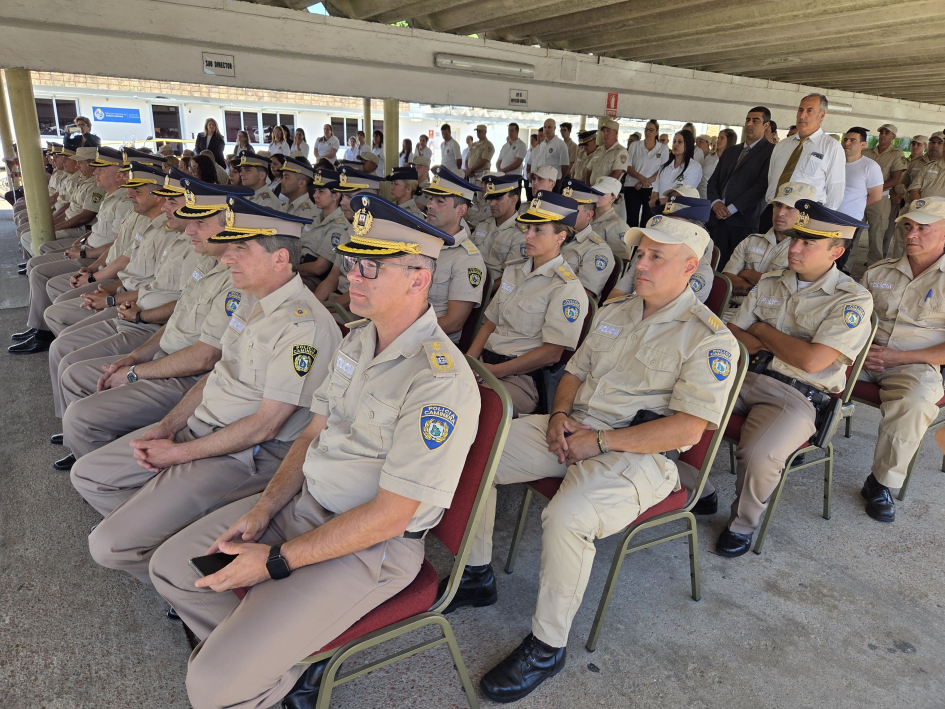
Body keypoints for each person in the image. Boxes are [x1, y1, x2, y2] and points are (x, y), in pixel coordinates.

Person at [148, 195, 478, 709]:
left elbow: (392, 517)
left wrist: (275, 562)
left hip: (370, 546)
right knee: (171, 568)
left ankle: (265, 672)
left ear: (418, 278)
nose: (353, 276)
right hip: (303, 505)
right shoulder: (357, 341)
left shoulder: (440, 381)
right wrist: (263, 511)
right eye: (352, 261)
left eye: (372, 266)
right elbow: (309, 435)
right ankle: (277, 664)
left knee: (209, 688)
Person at [446, 213, 738, 704]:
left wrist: (601, 443)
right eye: (639, 253)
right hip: (572, 429)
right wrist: (559, 415)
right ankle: (475, 575)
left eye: (654, 257)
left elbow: (689, 428)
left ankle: (547, 645)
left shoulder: (709, 338)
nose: (640, 264)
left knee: (567, 516)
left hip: (638, 454)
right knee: (471, 456)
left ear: (691, 267)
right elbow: (572, 374)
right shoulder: (616, 311)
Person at [71, 196, 342, 592]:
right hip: (201, 428)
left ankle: (178, 579)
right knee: (89, 476)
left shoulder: (305, 327)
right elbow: (217, 372)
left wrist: (178, 453)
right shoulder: (250, 299)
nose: (227, 257)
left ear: (279, 258)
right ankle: (161, 545)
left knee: (107, 545)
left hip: (245, 454)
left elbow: (266, 426)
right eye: (229, 247)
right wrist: (168, 426)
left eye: (240, 249)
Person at [712, 201, 873, 558]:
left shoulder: (853, 300)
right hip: (742, 375)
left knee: (759, 453)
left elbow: (812, 361)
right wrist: (771, 338)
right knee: (674, 404)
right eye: (795, 239)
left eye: (807, 243)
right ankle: (695, 488)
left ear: (837, 251)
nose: (794, 248)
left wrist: (759, 330)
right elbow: (732, 333)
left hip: (795, 395)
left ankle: (742, 524)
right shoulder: (772, 280)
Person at [57, 175, 241, 459]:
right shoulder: (207, 258)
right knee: (74, 373)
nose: (190, 229)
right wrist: (136, 357)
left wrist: (133, 368)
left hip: (186, 375)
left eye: (200, 222)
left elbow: (204, 357)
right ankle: (89, 444)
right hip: (158, 349)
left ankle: (91, 449)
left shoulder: (236, 281)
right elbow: (177, 320)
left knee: (80, 413)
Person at [858, 197, 945, 523]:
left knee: (917, 399)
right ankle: (803, 440)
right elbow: (850, 320)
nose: (912, 234)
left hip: (916, 364)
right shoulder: (879, 271)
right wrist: (857, 350)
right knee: (812, 368)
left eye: (924, 227)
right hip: (865, 356)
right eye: (908, 226)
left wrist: (901, 356)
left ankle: (881, 483)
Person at [467, 191, 588, 416]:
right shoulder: (514, 270)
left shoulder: (566, 288)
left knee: (471, 406)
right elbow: (490, 323)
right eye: (528, 228)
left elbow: (551, 353)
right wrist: (470, 361)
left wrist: (496, 371)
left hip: (521, 379)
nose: (528, 235)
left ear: (560, 236)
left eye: (538, 230)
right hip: (486, 364)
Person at [13, 148, 134, 353]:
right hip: (95, 255)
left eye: (100, 168)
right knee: (39, 266)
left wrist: (91, 267)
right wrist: (82, 245)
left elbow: (118, 249)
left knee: (41, 272)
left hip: (101, 262)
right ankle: (43, 329)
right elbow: (105, 235)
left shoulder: (126, 202)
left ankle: (46, 333)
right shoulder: (115, 198)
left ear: (118, 173)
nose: (95, 172)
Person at [421, 167, 487, 342]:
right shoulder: (423, 243)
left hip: (433, 342)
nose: (430, 205)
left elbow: (454, 322)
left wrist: (406, 329)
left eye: (440, 201)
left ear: (461, 211)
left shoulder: (467, 259)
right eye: (431, 199)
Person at [722, 181, 817, 302]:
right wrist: (766, 291)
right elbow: (725, 281)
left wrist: (746, 273)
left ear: (804, 215)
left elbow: (784, 294)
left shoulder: (805, 252)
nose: (780, 212)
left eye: (789, 207)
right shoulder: (751, 240)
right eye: (778, 205)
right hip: (729, 310)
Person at [707, 106, 775, 267]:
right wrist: (716, 203)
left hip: (743, 220)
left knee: (735, 268)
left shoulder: (771, 152)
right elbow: (713, 180)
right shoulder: (731, 151)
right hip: (717, 219)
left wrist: (731, 209)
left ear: (766, 125)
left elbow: (761, 186)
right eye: (747, 120)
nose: (749, 124)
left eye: (755, 120)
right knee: (713, 265)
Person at [765, 94, 846, 211]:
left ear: (822, 114)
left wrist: (821, 220)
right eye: (800, 110)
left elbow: (835, 191)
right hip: (773, 210)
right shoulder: (782, 145)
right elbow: (772, 177)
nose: (802, 116)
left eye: (809, 111)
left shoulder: (831, 147)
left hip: (805, 214)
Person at [558, 181, 616, 299]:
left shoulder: (598, 250)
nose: (563, 214)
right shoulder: (553, 235)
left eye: (571, 210)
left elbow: (583, 297)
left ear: (589, 215)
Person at [297, 168, 350, 291]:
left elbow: (318, 268)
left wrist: (289, 269)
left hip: (313, 279)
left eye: (321, 191)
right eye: (315, 190)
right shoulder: (317, 218)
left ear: (336, 195)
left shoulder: (339, 225)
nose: (315, 195)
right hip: (299, 270)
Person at [839, 127, 883, 269]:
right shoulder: (835, 162)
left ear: (863, 145)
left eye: (853, 140)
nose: (847, 143)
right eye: (845, 139)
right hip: (828, 216)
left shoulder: (870, 166)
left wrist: (855, 206)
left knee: (840, 256)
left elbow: (876, 196)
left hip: (849, 220)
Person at [862, 124, 906, 264]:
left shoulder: (896, 154)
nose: (883, 135)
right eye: (881, 132)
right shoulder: (866, 152)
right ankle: (846, 265)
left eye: (887, 133)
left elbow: (895, 179)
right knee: (854, 231)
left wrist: (873, 189)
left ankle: (874, 265)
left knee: (877, 235)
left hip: (880, 198)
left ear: (893, 137)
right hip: (861, 196)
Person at [472, 174, 525, 281]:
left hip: (490, 291)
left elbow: (510, 276)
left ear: (514, 200)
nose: (492, 203)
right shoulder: (483, 224)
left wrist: (484, 293)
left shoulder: (520, 234)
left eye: (498, 198)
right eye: (490, 198)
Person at [624, 119, 669, 228]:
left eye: (651, 130)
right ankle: (631, 245)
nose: (648, 132)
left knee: (647, 221)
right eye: (646, 130)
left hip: (652, 189)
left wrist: (646, 182)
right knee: (631, 221)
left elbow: (663, 169)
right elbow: (627, 166)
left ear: (657, 132)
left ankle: (643, 245)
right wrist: (642, 179)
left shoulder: (663, 148)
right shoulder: (635, 145)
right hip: (633, 186)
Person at [651, 131, 702, 209]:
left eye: (680, 142)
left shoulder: (694, 167)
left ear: (687, 145)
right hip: (659, 210)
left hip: (679, 212)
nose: (676, 144)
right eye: (674, 141)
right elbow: (656, 190)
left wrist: (659, 202)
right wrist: (654, 201)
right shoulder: (664, 167)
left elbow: (684, 194)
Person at [590, 176, 631, 258]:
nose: (596, 196)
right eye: (594, 192)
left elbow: (621, 260)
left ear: (612, 198)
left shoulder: (618, 226)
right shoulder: (586, 215)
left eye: (601, 193)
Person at [588, 119, 629, 188]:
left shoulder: (621, 152)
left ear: (616, 133)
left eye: (608, 131)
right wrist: (588, 186)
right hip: (591, 189)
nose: (605, 134)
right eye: (603, 131)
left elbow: (615, 175)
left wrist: (598, 188)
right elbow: (588, 171)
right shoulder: (599, 150)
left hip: (606, 192)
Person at [698, 128, 735, 199]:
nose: (718, 141)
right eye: (718, 138)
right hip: (701, 196)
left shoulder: (732, 160)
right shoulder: (710, 157)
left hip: (716, 200)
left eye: (722, 138)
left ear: (729, 141)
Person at [530, 118, 571, 182]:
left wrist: (559, 179)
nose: (546, 129)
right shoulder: (542, 144)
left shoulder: (560, 144)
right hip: (541, 179)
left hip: (554, 180)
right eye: (545, 127)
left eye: (549, 127)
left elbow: (565, 166)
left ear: (554, 128)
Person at [280, 156, 318, 222]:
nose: (281, 181)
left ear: (301, 183)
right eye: (283, 177)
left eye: (286, 177)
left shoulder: (307, 213)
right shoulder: (287, 206)